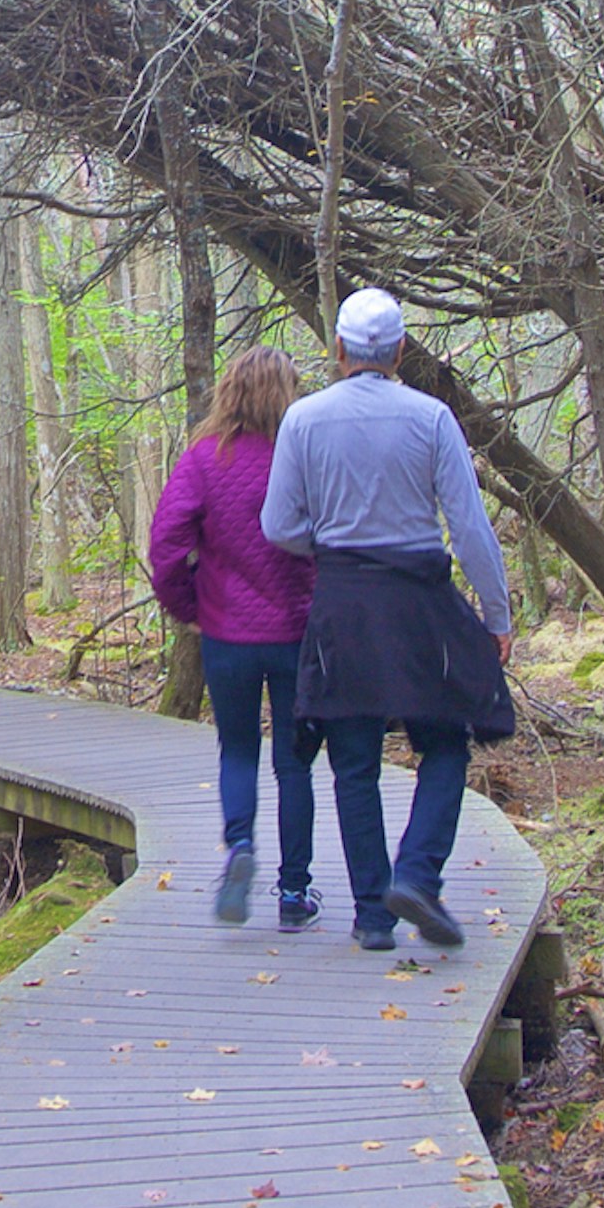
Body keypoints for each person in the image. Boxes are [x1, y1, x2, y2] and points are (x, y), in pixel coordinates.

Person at [260, 286, 515, 953]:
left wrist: (333, 542)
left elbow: (278, 525)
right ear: (401, 350)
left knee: (354, 761)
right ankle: (419, 874)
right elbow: (469, 526)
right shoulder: (431, 418)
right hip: (420, 604)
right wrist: (497, 616)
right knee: (447, 743)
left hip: (343, 600)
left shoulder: (304, 421)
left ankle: (374, 914)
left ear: (338, 349)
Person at [148, 348, 321, 929]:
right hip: (298, 632)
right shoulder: (307, 457)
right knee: (294, 764)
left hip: (227, 634)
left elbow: (166, 543)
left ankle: (240, 848)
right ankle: (294, 896)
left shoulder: (203, 458)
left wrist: (187, 607)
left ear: (229, 392)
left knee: (238, 749)